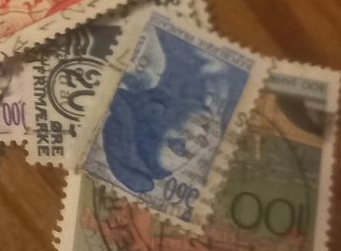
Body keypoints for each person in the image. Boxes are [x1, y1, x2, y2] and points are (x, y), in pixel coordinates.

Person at [101, 28, 242, 194]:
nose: (200, 142)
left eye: (178, 144)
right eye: (190, 154)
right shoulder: (229, 96)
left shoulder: (156, 43)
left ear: (153, 113)